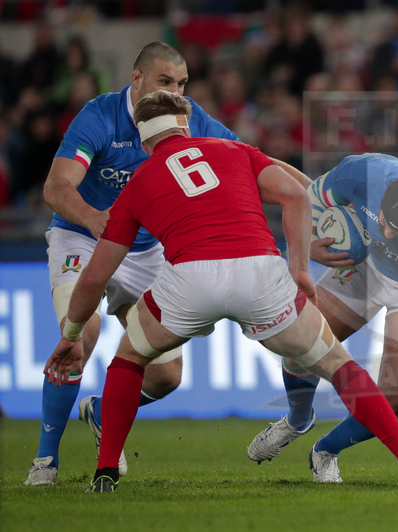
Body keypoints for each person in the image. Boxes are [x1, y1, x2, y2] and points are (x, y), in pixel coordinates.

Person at [43, 90, 398, 493]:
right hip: (258, 272)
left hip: (190, 279)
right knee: (338, 364)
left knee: (130, 359)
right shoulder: (235, 150)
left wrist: (72, 335)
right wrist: (299, 269)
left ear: (142, 136)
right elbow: (296, 193)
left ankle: (104, 474)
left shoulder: (139, 181)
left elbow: (96, 278)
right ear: (185, 128)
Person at [24, 42, 240, 487]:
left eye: (181, 84)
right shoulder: (100, 116)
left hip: (147, 250)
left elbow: (242, 159)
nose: (175, 93)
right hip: (83, 238)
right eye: (165, 82)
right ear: (136, 79)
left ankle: (102, 412)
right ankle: (45, 462)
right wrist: (95, 220)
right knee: (81, 333)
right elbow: (56, 186)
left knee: (165, 377)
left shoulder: (189, 116)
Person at [247, 153, 398, 484]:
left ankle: (325, 450)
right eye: (384, 221)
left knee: (395, 397)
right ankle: (297, 419)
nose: (387, 233)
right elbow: (308, 199)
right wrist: (307, 245)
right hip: (363, 268)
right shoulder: (363, 173)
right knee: (300, 345)